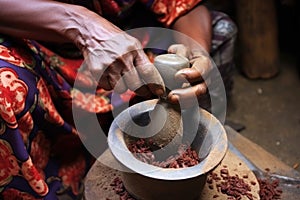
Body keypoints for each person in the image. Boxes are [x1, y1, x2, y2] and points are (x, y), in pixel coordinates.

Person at [0, 0, 237, 199]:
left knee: (222, 31)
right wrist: (79, 23)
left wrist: (197, 54)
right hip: (39, 43)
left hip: (132, 44)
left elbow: (185, 6)